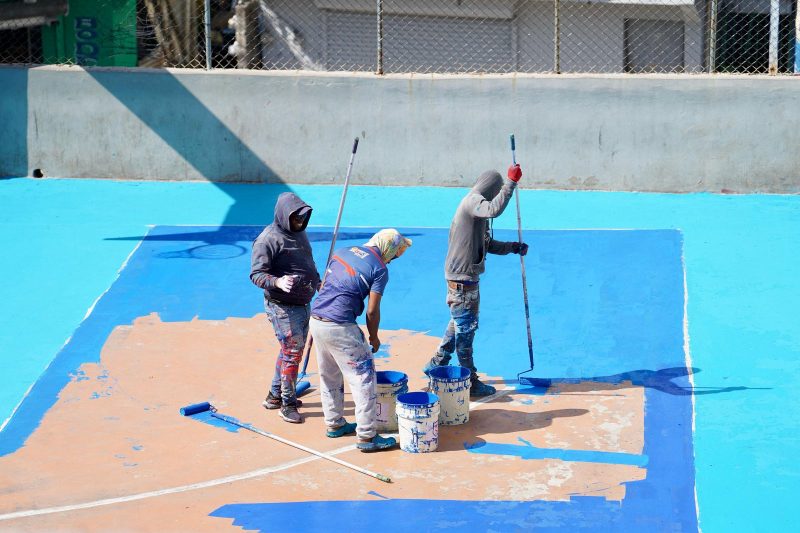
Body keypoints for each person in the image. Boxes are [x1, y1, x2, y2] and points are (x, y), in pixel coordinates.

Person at [423, 166, 528, 397]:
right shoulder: (473, 202)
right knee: (466, 332)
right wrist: (510, 184)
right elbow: (494, 209)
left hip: (464, 279)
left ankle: (437, 363)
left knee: (459, 323)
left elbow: (487, 244)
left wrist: (512, 247)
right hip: (462, 282)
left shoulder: (479, 215)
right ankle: (469, 380)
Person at [309, 229, 412, 452]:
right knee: (363, 378)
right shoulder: (379, 268)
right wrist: (373, 337)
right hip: (340, 326)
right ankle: (367, 437)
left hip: (317, 320)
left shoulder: (343, 251)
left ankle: (335, 423)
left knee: (329, 374)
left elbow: (325, 285)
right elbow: (372, 311)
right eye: (395, 253)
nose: (393, 258)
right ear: (388, 249)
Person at [250, 192, 321, 424]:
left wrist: (318, 282)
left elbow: (308, 262)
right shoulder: (267, 240)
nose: (300, 223)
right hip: (282, 306)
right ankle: (287, 404)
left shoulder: (300, 233)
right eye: (296, 219)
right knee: (292, 352)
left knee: (288, 350)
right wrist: (277, 281)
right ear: (283, 215)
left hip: (303, 301)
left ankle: (274, 395)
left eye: (303, 219)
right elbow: (257, 274)